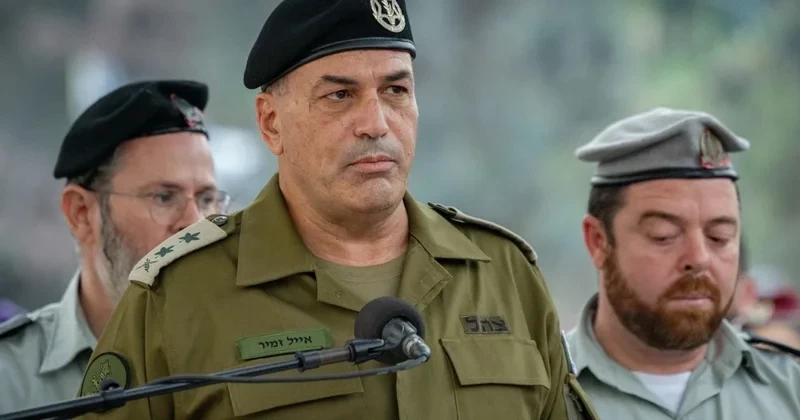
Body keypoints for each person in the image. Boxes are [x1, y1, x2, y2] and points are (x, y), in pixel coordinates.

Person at [77, 1, 598, 419]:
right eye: (340, 96)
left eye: (396, 90)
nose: (376, 123)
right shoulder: (179, 294)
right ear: (272, 123)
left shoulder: (503, 273)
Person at [0, 80, 230, 414]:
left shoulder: (258, 356)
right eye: (164, 197)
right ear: (81, 214)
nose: (196, 225)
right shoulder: (10, 379)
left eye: (207, 199)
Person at [566, 107, 800, 419]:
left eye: (719, 237)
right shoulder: (536, 395)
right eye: (664, 235)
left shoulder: (789, 392)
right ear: (598, 241)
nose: (699, 258)